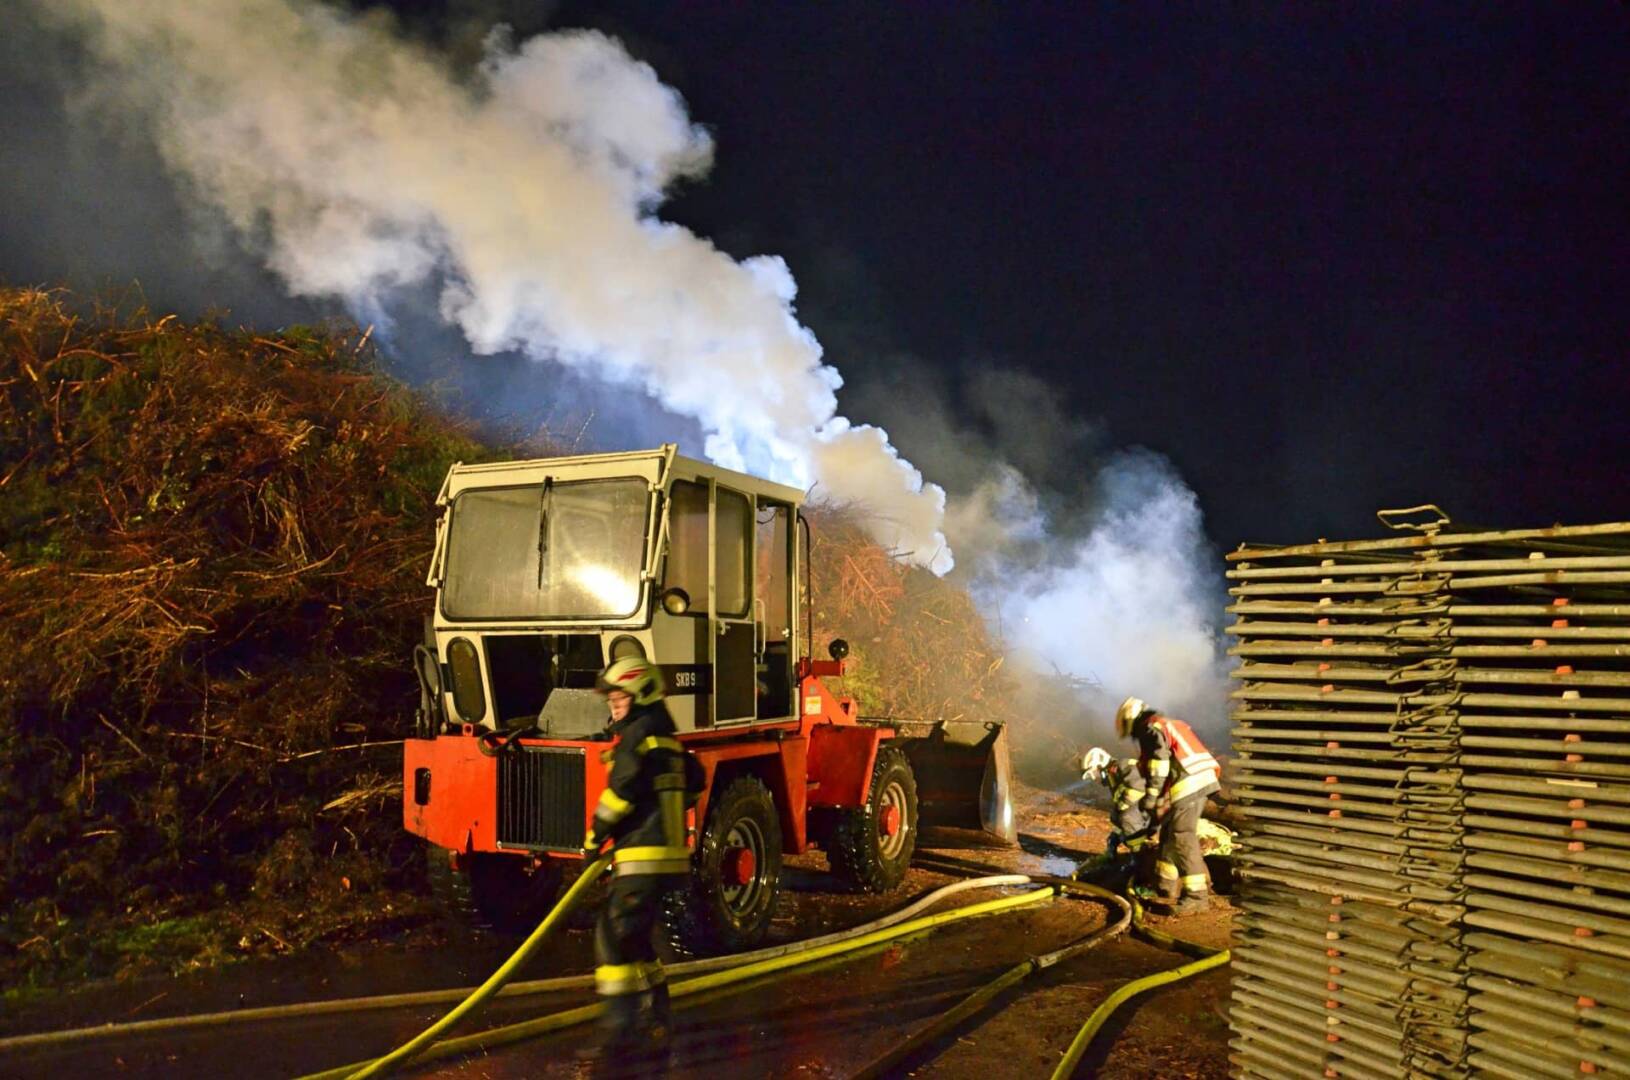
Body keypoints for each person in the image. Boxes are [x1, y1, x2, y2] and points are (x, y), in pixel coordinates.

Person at [578, 656, 692, 1068]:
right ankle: (658, 1016)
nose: (613, 703)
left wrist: (593, 838)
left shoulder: (638, 737)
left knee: (612, 937)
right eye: (610, 696)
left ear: (641, 692)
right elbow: (693, 782)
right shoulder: (668, 739)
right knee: (638, 939)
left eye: (620, 695)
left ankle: (618, 1033)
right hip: (669, 859)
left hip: (642, 857)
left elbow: (620, 793)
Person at [1115, 696, 1221, 914]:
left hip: (1190, 782)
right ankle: (1165, 887)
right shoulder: (1165, 724)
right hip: (1195, 778)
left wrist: (1151, 798)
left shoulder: (1150, 728)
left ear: (1132, 720)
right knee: (1168, 835)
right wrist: (1157, 815)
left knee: (1182, 836)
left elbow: (1160, 765)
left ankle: (1197, 898)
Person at [1080, 746, 1153, 854]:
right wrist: (1114, 837)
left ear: (1101, 767)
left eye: (1093, 773)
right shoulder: (1113, 776)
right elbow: (1118, 810)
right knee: (1117, 814)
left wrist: (1122, 805)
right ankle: (1130, 847)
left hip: (1153, 808)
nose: (1094, 778)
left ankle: (1139, 854)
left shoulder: (1124, 766)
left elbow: (1138, 789)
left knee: (1127, 816)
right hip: (1143, 809)